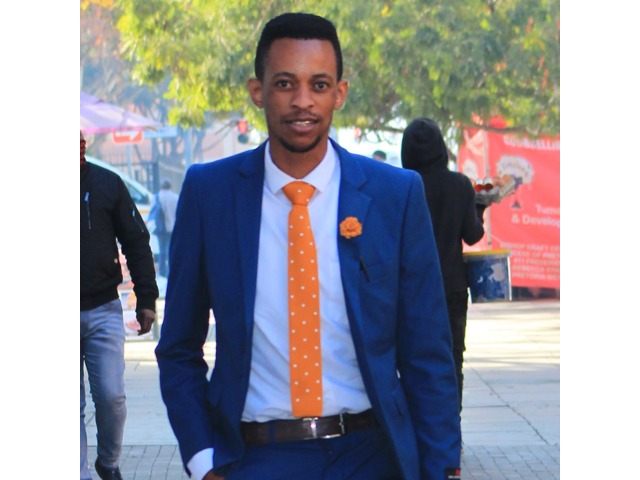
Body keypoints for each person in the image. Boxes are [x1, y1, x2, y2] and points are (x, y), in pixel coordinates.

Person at [156, 13, 461, 480]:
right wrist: (203, 461)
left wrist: (442, 469)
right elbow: (178, 346)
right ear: (258, 91)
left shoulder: (395, 196)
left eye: (319, 85)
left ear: (339, 93)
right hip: (255, 459)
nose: (302, 101)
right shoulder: (210, 194)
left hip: (371, 457)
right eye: (284, 84)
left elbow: (428, 354)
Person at [81, 130, 159, 480]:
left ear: (83, 146)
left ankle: (108, 462)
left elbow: (136, 242)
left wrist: (147, 299)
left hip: (103, 309)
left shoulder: (108, 184)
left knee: (112, 398)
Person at [401, 117, 486, 415]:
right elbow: (472, 235)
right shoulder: (460, 185)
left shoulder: (402, 185)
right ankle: (450, 427)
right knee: (452, 358)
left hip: (411, 288)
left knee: (412, 358)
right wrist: (479, 208)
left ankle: (417, 423)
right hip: (452, 287)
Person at [152, 178, 179, 278]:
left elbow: (152, 213)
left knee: (161, 250)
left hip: (160, 228)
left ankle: (162, 272)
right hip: (172, 227)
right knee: (170, 250)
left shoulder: (156, 197)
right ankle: (170, 271)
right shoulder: (175, 197)